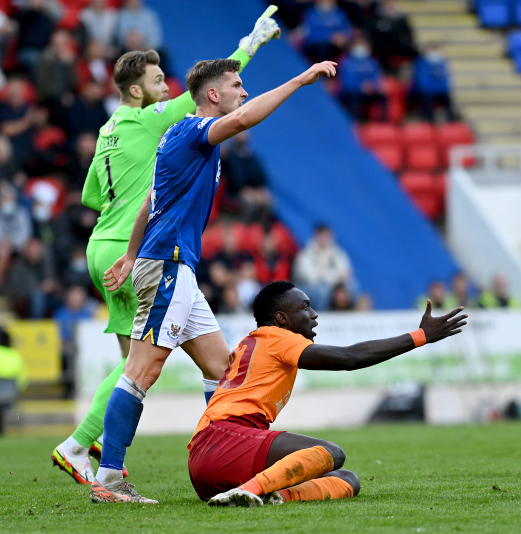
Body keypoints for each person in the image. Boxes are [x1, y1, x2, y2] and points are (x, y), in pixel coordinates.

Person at [49, 11, 282, 488]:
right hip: (146, 247)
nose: (165, 87)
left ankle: (215, 452)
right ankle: (84, 448)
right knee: (139, 364)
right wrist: (249, 47)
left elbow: (90, 197)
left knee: (187, 362)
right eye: (158, 80)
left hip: (107, 241)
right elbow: (210, 98)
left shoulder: (107, 130)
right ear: (137, 90)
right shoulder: (154, 120)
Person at [94, 57, 338, 503]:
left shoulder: (181, 138)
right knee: (140, 371)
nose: (242, 93)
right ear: (213, 95)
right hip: (167, 265)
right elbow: (244, 118)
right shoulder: (192, 130)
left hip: (173, 267)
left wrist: (130, 256)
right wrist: (301, 79)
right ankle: (109, 479)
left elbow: (150, 202)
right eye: (237, 85)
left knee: (221, 370)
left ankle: (224, 459)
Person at [193, 281, 467, 506]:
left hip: (213, 457)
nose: (314, 315)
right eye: (305, 307)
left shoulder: (254, 342)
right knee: (330, 453)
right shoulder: (276, 337)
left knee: (347, 479)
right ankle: (252, 490)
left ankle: (274, 496)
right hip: (225, 439)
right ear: (281, 318)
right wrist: (420, 336)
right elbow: (349, 358)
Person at [292, 223, 354, 311]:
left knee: (352, 286)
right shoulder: (305, 254)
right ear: (316, 236)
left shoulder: (337, 252)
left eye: (327, 236)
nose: (325, 239)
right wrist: (336, 276)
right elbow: (313, 279)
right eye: (322, 236)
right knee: (323, 291)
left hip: (330, 285)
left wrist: (328, 276)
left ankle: (350, 316)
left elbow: (345, 273)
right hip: (306, 289)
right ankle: (322, 318)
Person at [339, 35, 387, 121]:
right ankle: (356, 121)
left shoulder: (373, 62)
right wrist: (360, 87)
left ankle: (383, 122)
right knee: (354, 96)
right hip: (351, 92)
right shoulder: (346, 62)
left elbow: (376, 78)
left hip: (369, 91)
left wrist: (373, 87)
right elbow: (346, 82)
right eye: (358, 44)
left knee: (383, 96)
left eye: (363, 44)